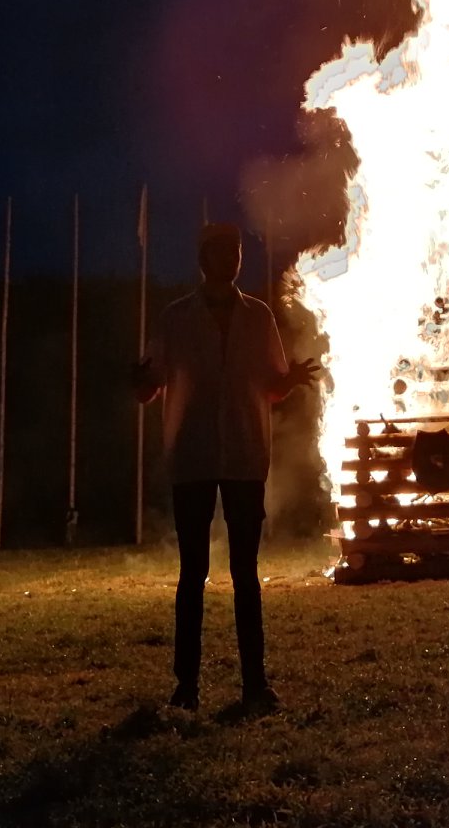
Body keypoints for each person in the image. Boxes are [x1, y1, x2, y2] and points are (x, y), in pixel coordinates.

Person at [135, 223, 318, 712]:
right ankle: (186, 686)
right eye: (222, 252)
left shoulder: (258, 317)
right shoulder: (176, 318)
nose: (232, 260)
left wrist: (292, 380)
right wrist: (140, 383)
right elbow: (150, 384)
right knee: (192, 573)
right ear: (204, 259)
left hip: (242, 455)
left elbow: (271, 386)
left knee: (245, 573)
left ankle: (255, 685)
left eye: (236, 252)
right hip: (192, 456)